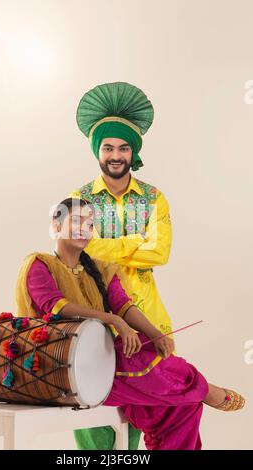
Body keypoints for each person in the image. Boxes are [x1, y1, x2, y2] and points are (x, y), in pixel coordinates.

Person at [15, 197, 245, 451]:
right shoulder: (39, 264)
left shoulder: (100, 269)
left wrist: (155, 334)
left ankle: (197, 393)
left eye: (90, 224)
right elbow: (55, 307)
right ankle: (205, 389)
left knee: (183, 406)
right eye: (77, 220)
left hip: (102, 365)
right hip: (61, 368)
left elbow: (124, 305)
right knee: (134, 357)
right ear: (56, 225)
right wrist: (112, 320)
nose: (84, 228)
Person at [68, 81, 173, 450]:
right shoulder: (79, 199)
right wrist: (134, 244)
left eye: (124, 147)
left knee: (141, 412)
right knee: (88, 404)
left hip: (147, 314)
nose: (116, 154)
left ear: (133, 152)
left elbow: (159, 252)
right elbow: (82, 252)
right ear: (98, 151)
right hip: (96, 313)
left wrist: (105, 247)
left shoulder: (153, 197)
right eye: (108, 147)